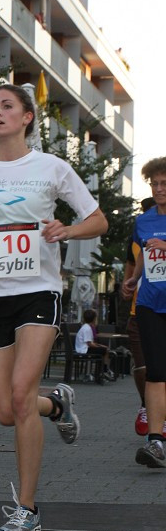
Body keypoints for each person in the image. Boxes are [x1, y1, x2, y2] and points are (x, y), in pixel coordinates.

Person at [0, 85, 108, 531]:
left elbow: (97, 220)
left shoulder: (51, 167)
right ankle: (56, 404)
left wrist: (67, 229)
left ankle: (27, 508)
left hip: (37, 291)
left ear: (27, 117)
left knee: (21, 393)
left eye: (7, 106)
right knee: (6, 410)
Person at [123, 159, 166, 468]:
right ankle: (155, 442)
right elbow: (143, 255)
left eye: (164, 183)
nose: (159, 189)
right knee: (155, 371)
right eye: (155, 183)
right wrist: (134, 279)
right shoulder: (143, 221)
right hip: (150, 302)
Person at [121, 197, 154, 436]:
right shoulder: (137, 235)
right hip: (138, 310)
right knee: (142, 366)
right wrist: (127, 282)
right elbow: (131, 264)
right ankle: (146, 404)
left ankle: (157, 414)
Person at [74, 309, 115, 381]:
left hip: (83, 348)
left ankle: (101, 371)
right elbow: (90, 344)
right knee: (104, 350)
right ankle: (104, 370)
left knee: (103, 349)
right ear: (94, 319)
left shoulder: (85, 327)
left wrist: (99, 346)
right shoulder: (87, 328)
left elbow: (90, 342)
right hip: (84, 350)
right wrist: (100, 346)